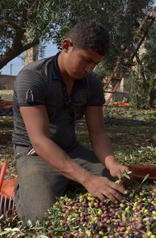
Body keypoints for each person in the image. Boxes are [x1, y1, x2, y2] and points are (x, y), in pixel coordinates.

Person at [12, 20, 128, 222]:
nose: (89, 69)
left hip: (71, 150)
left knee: (115, 188)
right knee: (40, 219)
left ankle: (66, 181)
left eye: (95, 64)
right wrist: (87, 179)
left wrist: (111, 163)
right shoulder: (33, 77)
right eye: (85, 60)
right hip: (35, 154)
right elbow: (39, 141)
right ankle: (24, 194)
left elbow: (97, 132)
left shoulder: (91, 83)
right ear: (66, 46)